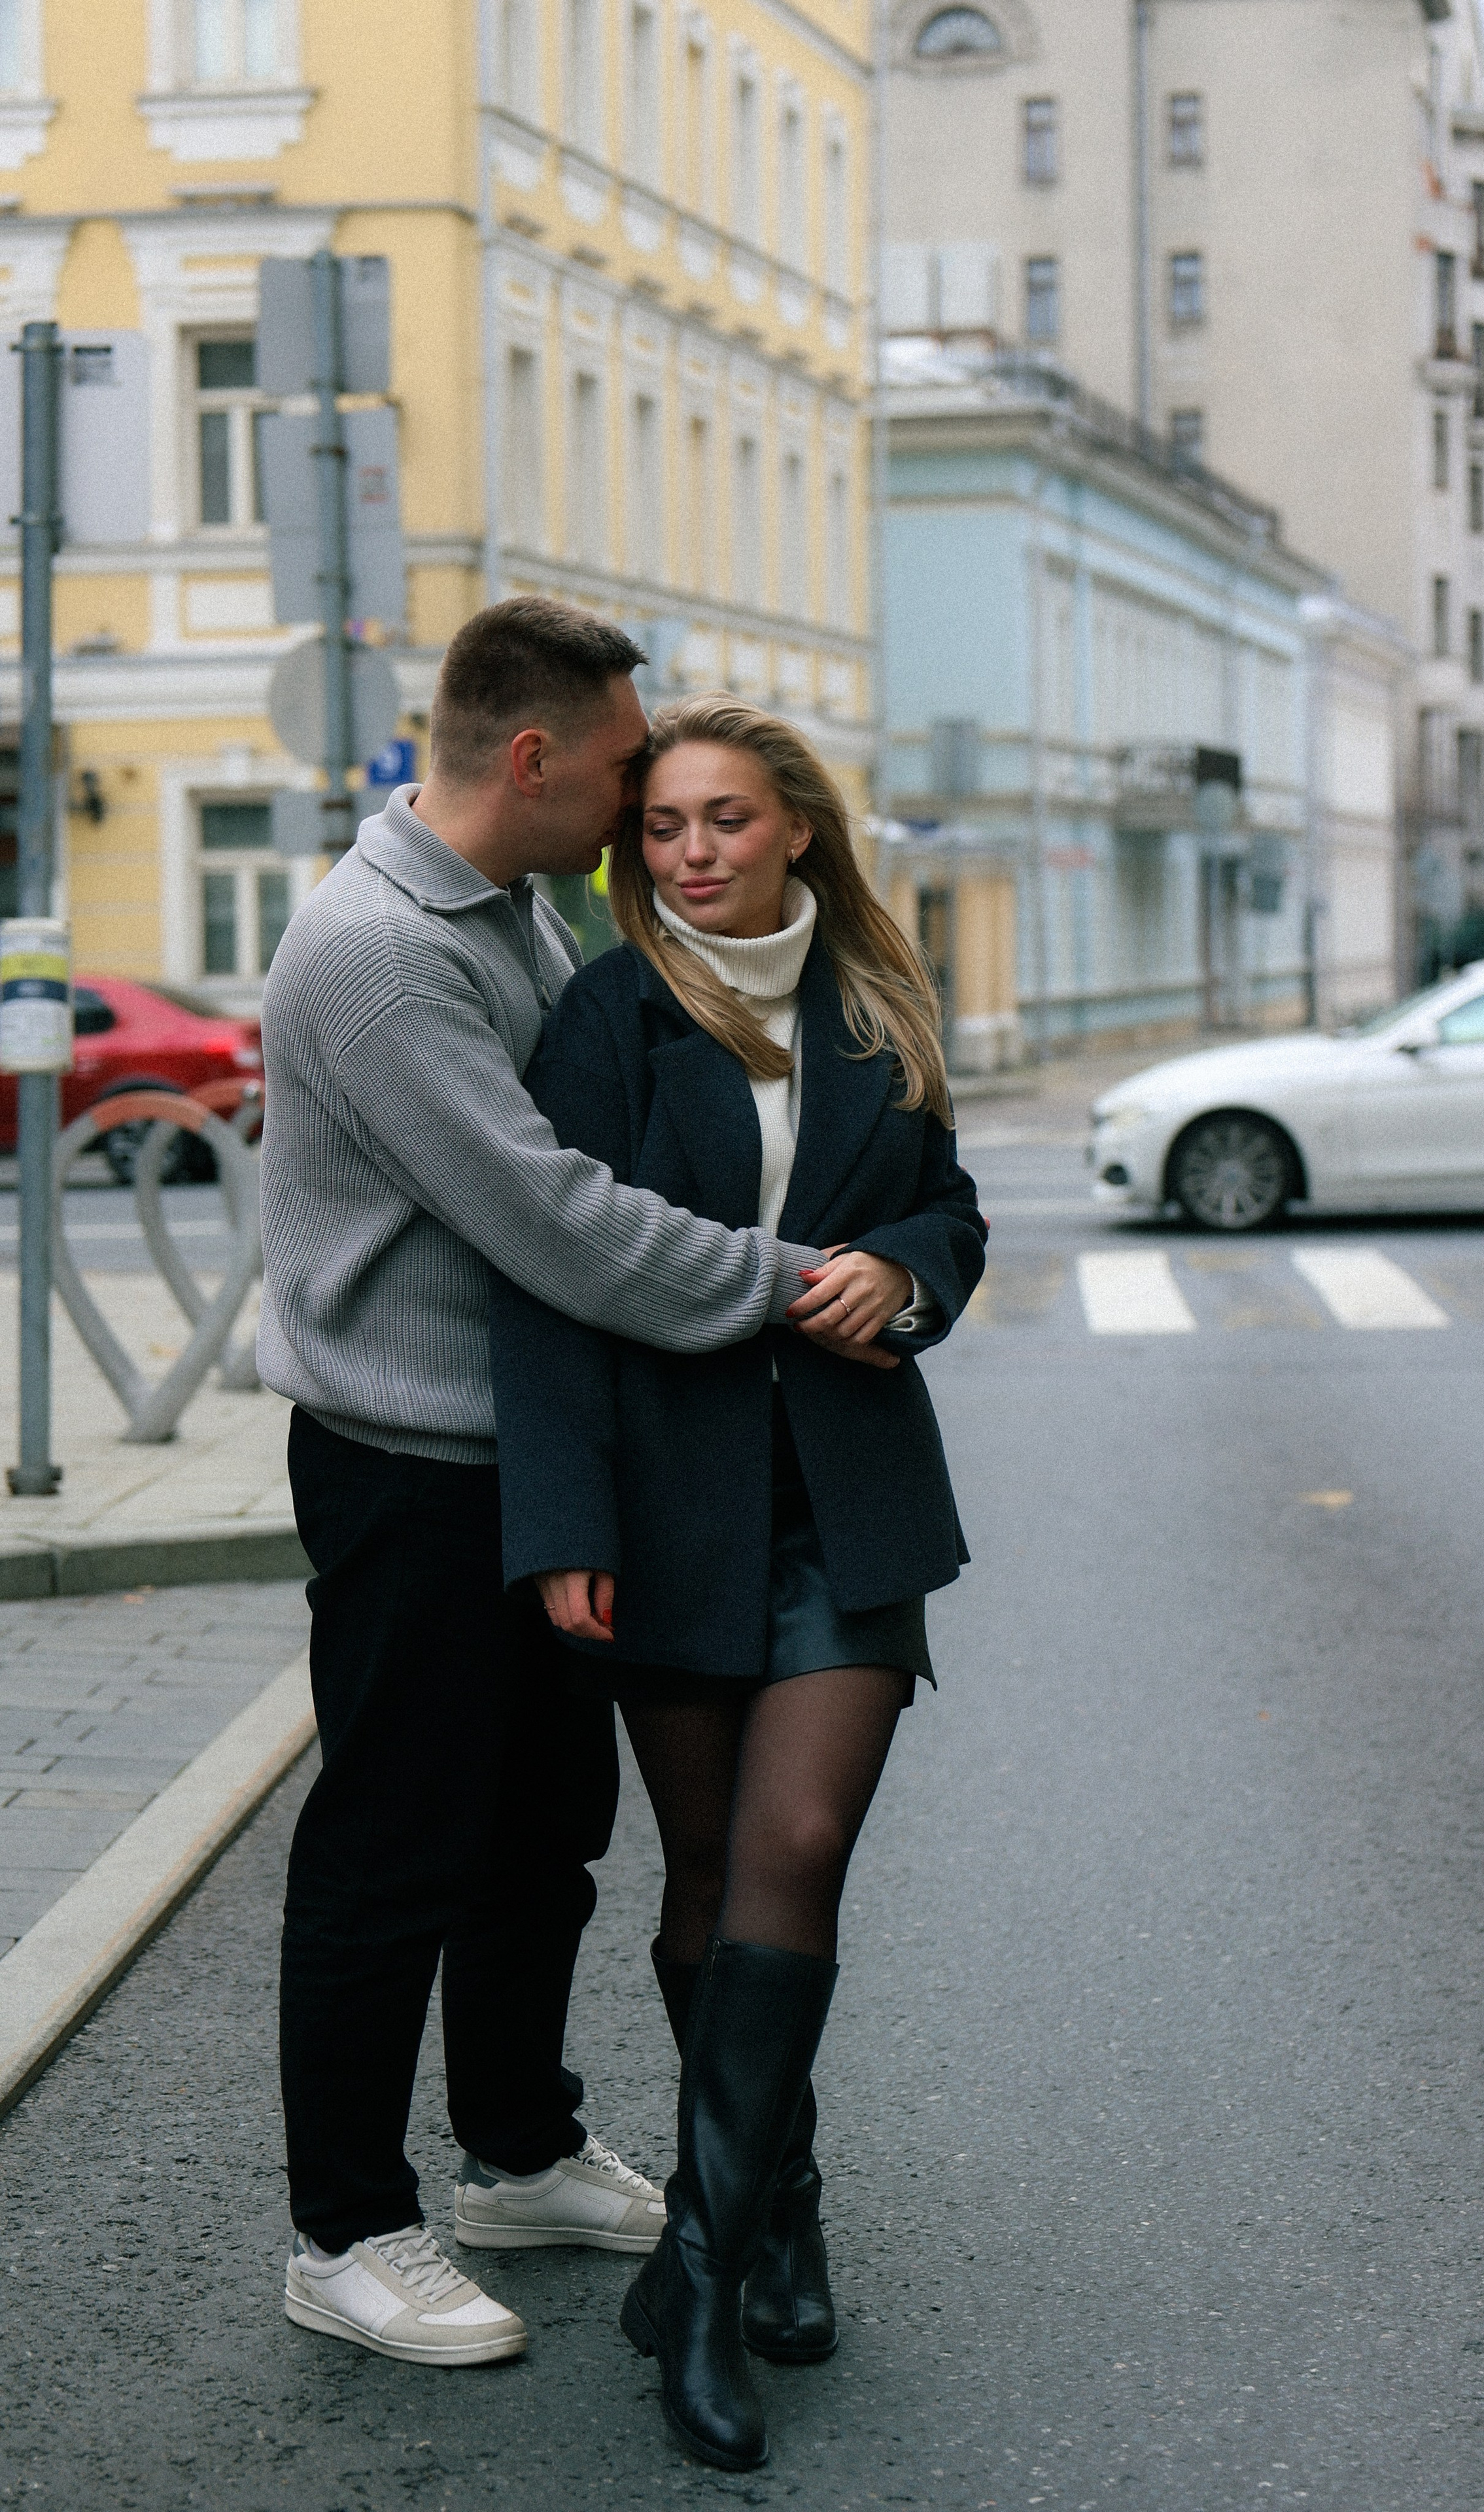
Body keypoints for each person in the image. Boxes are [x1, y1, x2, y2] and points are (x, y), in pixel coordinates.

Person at [258, 601, 889, 2369]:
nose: (639, 809)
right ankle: (346, 2228)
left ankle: (516, 2148)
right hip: (407, 1465)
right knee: (398, 1837)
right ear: (530, 760)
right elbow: (558, 1219)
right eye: (624, 771)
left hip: (529, 1462)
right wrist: (793, 1283)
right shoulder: (382, 952)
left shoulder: (515, 917)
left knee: (541, 1831)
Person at [488, 695, 987, 2466]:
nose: (693, 853)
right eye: (668, 829)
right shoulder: (607, 1017)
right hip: (670, 1509)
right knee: (705, 1877)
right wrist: (560, 1526)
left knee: (794, 1849)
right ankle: (784, 2201)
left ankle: (695, 2278)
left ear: (796, 830)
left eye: (726, 821)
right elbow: (545, 1281)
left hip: (846, 1508)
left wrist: (905, 1277)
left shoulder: (872, 1005)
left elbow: (950, 1209)